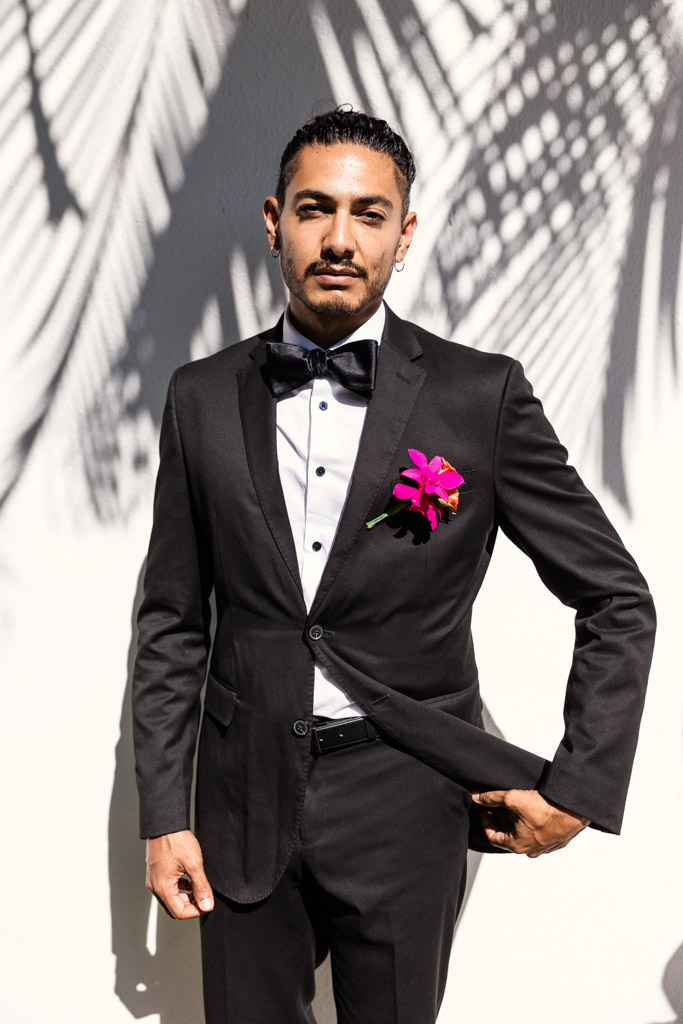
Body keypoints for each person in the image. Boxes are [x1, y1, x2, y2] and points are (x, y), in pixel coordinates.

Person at [132, 108, 656, 1023]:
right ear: (273, 220)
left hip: (407, 801)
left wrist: (578, 787)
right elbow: (173, 622)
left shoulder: (478, 395)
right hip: (240, 798)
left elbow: (614, 596)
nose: (339, 238)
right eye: (314, 209)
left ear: (403, 233)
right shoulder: (200, 397)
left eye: (369, 214)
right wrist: (163, 812)